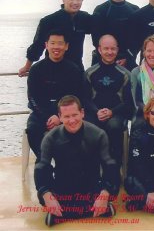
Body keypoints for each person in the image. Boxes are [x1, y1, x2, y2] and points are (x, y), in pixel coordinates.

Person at [34, 95, 120, 226]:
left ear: (82, 113)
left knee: (111, 189)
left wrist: (105, 193)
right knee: (43, 194)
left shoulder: (98, 134)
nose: (72, 120)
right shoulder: (50, 138)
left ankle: (65, 214)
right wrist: (47, 194)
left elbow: (110, 165)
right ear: (60, 117)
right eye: (67, 117)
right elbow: (42, 166)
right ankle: (96, 210)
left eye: (75, 115)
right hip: (63, 190)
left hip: (91, 188)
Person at [26, 29, 84, 161]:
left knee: (76, 130)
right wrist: (47, 115)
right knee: (33, 129)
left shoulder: (73, 70)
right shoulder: (36, 69)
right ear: (46, 45)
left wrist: (60, 117)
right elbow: (32, 98)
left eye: (60, 43)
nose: (56, 47)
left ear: (66, 46)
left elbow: (76, 97)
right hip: (41, 112)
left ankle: (65, 163)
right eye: (52, 43)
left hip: (66, 113)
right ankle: (43, 160)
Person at [84, 34, 133, 169]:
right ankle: (91, 169)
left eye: (113, 49)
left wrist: (112, 112)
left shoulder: (125, 74)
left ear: (117, 50)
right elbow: (85, 99)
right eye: (106, 49)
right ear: (99, 50)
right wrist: (96, 111)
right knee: (88, 127)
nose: (109, 52)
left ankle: (114, 169)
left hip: (117, 113)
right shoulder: (90, 73)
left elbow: (129, 102)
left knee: (114, 126)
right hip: (95, 112)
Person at [19, 0, 91, 75]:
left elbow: (100, 33)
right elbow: (38, 45)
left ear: (82, 0)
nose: (75, 2)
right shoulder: (49, 21)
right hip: (51, 69)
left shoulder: (84, 18)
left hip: (76, 68)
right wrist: (27, 66)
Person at [92, 0, 139, 71]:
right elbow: (96, 40)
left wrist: (127, 58)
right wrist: (110, 58)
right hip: (104, 61)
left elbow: (137, 40)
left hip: (128, 62)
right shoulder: (100, 10)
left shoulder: (135, 10)